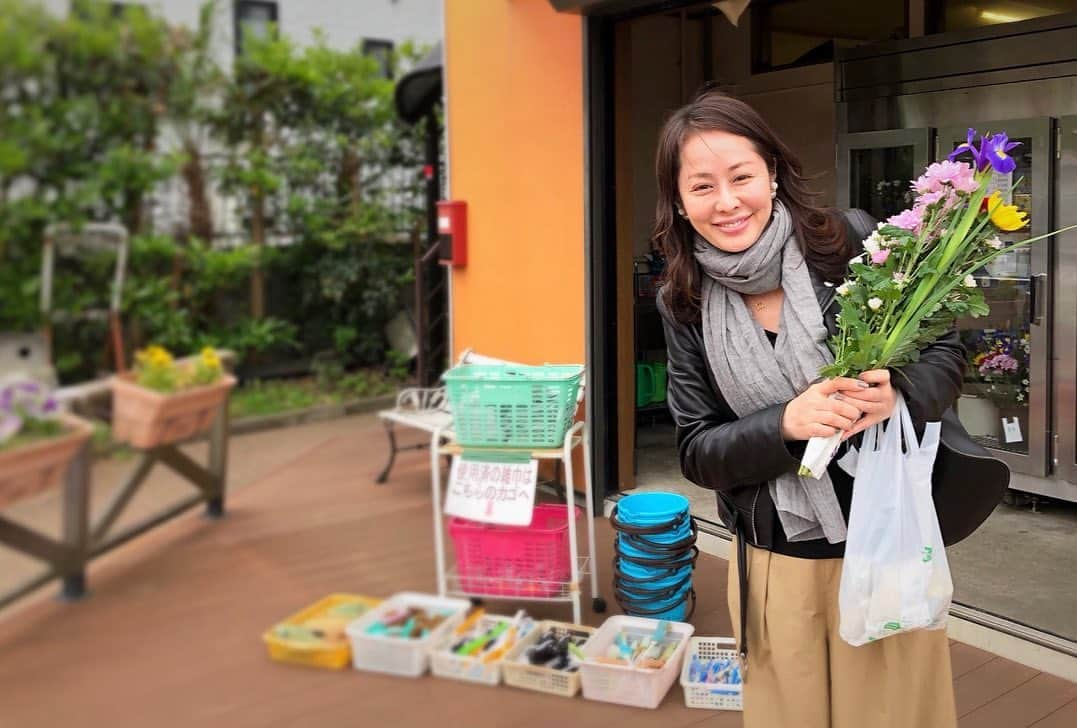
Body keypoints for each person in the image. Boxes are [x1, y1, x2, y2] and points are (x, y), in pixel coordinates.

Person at [653, 89, 964, 728]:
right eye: (702, 186)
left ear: (771, 170)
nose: (727, 201)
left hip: (883, 534)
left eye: (741, 176)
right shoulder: (683, 301)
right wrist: (786, 425)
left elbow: (946, 347)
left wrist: (898, 389)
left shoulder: (843, 241)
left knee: (893, 713)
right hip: (776, 555)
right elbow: (697, 450)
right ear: (680, 202)